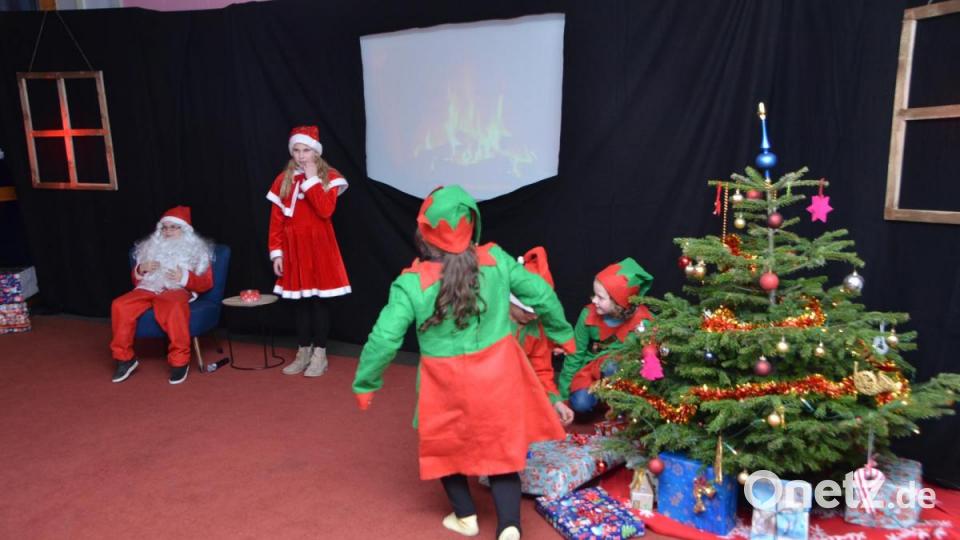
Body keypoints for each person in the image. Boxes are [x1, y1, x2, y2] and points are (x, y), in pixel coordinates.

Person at [352, 186, 575, 540]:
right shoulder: (498, 261)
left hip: (444, 382)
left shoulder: (410, 284)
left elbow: (383, 339)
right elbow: (542, 295)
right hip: (499, 375)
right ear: (473, 227)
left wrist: (366, 382)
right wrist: (563, 333)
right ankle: (510, 528)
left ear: (424, 235)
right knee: (503, 453)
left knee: (446, 447)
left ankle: (466, 517)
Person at [266, 125, 351, 377]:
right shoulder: (283, 179)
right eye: (296, 150)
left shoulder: (330, 176)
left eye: (306, 150)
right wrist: (277, 253)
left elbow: (325, 211)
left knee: (319, 302)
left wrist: (312, 178)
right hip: (293, 248)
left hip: (319, 247)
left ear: (316, 152)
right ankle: (303, 351)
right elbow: (276, 221)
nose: (301, 155)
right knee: (300, 303)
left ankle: (320, 354)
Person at [110, 206, 214, 385]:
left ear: (185, 230)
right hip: (148, 288)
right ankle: (124, 358)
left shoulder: (198, 251)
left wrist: (184, 277)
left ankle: (179, 361)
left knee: (174, 309)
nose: (167, 232)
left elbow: (206, 283)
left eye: (173, 227)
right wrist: (140, 269)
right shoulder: (150, 248)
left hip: (176, 290)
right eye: (164, 228)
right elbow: (137, 281)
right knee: (120, 305)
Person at [557, 258, 654, 413]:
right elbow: (575, 354)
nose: (594, 300)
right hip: (592, 372)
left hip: (626, 374)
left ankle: (622, 406)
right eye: (594, 295)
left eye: (601, 297)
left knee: (611, 366)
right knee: (580, 404)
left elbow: (650, 359)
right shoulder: (588, 315)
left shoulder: (642, 322)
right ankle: (603, 401)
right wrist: (562, 396)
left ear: (618, 302)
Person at [509, 246, 574, 426]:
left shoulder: (537, 329)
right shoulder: (490, 320)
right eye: (530, 310)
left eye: (541, 311)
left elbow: (541, 369)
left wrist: (556, 402)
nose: (536, 315)